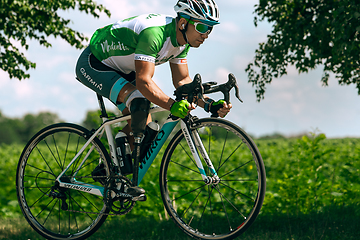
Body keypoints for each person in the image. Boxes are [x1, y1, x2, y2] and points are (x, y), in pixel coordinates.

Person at [75, 0, 232, 198]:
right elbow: (143, 82)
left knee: (147, 126)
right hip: (95, 63)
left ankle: (109, 172)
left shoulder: (182, 44)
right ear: (183, 23)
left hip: (123, 68)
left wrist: (209, 104)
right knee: (140, 101)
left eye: (210, 29)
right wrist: (172, 105)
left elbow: (182, 82)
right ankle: (115, 168)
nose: (206, 35)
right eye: (201, 27)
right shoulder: (154, 34)